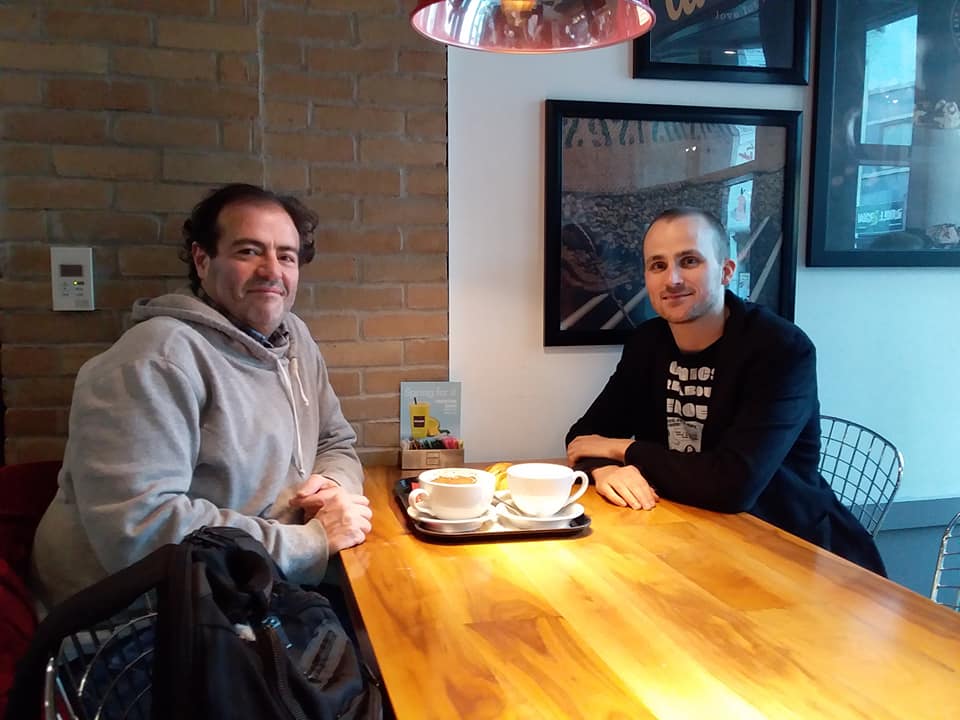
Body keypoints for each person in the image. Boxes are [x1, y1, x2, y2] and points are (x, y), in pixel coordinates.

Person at [31, 183, 372, 608]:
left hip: (256, 584)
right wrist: (310, 543)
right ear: (202, 259)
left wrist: (333, 489)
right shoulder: (153, 360)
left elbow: (335, 441)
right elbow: (141, 529)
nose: (271, 270)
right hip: (138, 616)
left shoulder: (295, 340)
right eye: (249, 251)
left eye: (286, 256)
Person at [566, 207, 886, 575]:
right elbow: (583, 437)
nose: (672, 279)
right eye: (658, 265)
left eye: (689, 261)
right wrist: (605, 470)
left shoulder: (780, 349)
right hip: (686, 531)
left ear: (726, 271)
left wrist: (621, 449)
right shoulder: (647, 343)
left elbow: (734, 486)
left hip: (789, 550)